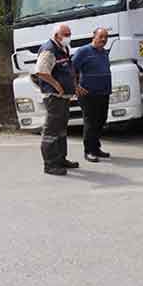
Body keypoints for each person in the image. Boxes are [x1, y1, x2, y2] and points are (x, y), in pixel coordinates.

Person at [35, 24, 80, 175]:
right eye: (66, 34)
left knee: (61, 130)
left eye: (69, 33)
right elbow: (41, 72)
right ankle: (50, 164)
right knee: (51, 131)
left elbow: (68, 69)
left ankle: (61, 159)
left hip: (63, 97)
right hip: (54, 97)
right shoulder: (49, 49)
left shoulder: (63, 48)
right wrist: (57, 85)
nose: (69, 36)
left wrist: (73, 86)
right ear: (56, 35)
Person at [72, 27, 112, 162]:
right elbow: (71, 69)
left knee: (101, 120)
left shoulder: (104, 52)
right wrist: (75, 86)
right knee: (90, 122)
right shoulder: (83, 51)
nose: (104, 39)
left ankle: (96, 148)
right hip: (88, 94)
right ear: (94, 36)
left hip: (104, 93)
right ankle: (88, 151)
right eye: (101, 36)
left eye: (106, 37)